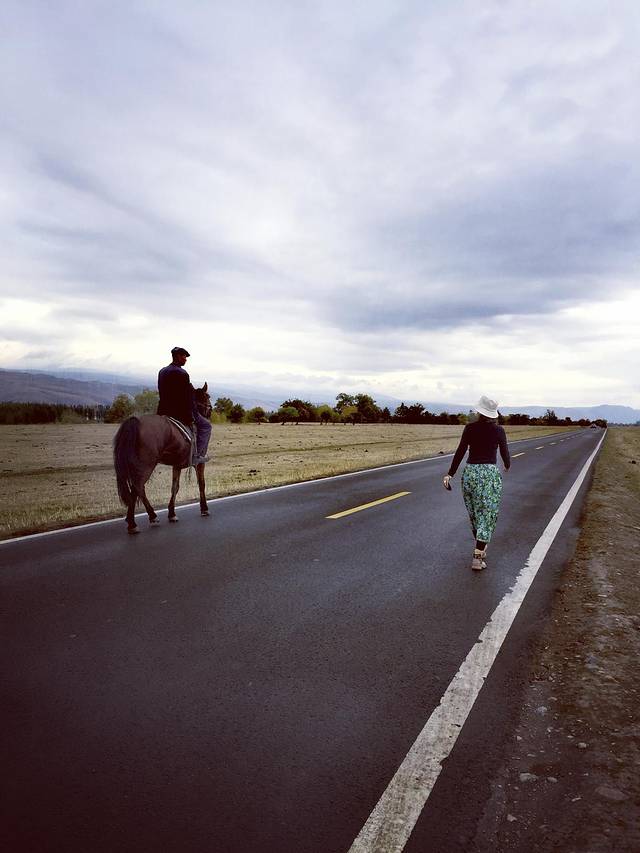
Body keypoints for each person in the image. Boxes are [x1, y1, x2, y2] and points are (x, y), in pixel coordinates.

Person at [443, 395, 510, 571]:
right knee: (487, 514)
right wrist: (507, 465)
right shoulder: (499, 430)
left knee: (474, 514)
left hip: (470, 474)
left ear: (480, 412)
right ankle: (478, 557)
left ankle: (480, 548)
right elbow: (505, 453)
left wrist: (450, 474)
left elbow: (460, 451)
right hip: (489, 475)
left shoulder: (469, 428)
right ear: (493, 414)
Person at [157, 347, 211, 465]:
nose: (186, 359)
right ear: (177, 356)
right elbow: (187, 397)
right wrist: (191, 414)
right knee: (206, 426)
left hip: (163, 411)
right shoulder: (182, 373)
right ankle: (197, 456)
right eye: (184, 356)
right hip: (178, 412)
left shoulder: (162, 371)